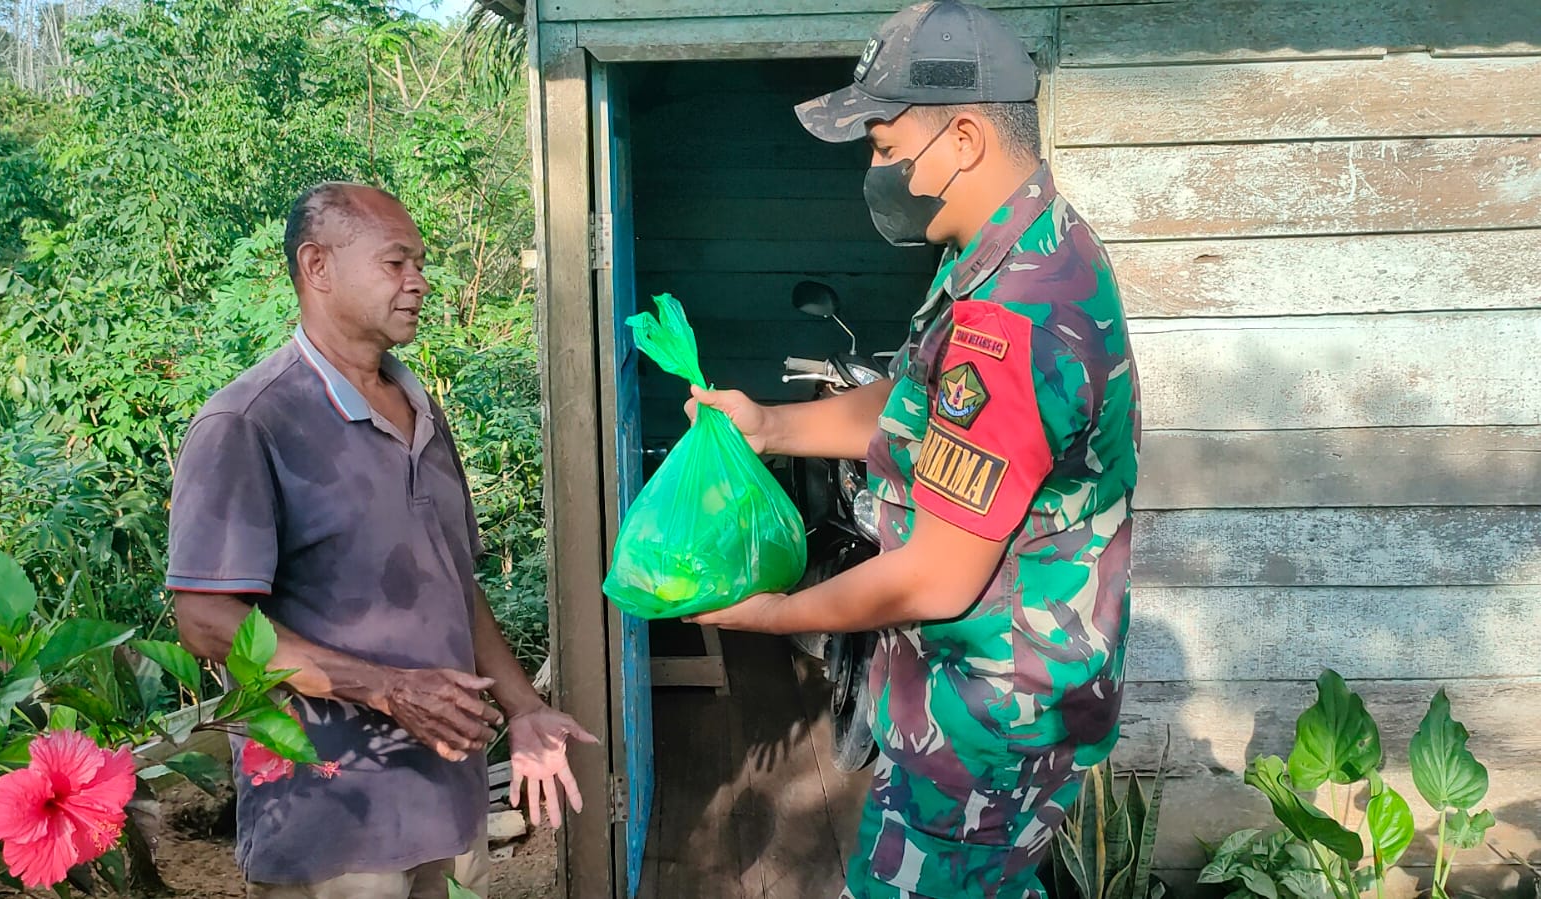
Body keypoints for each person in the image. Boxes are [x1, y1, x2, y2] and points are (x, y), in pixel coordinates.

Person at [687, 3, 1141, 897]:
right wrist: (770, 426)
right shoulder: (998, 250)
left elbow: (937, 575)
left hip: (988, 718)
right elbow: (910, 407)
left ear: (964, 135)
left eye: (886, 143)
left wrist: (774, 613)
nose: (877, 167)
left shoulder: (1012, 318)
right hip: (979, 695)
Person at [167, 182, 597, 899]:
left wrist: (524, 709)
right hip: (335, 825)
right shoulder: (249, 421)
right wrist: (391, 690)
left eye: (420, 263)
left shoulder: (420, 407)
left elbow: (456, 583)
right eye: (396, 263)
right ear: (318, 266)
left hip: (447, 807)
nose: (419, 282)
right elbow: (208, 621)